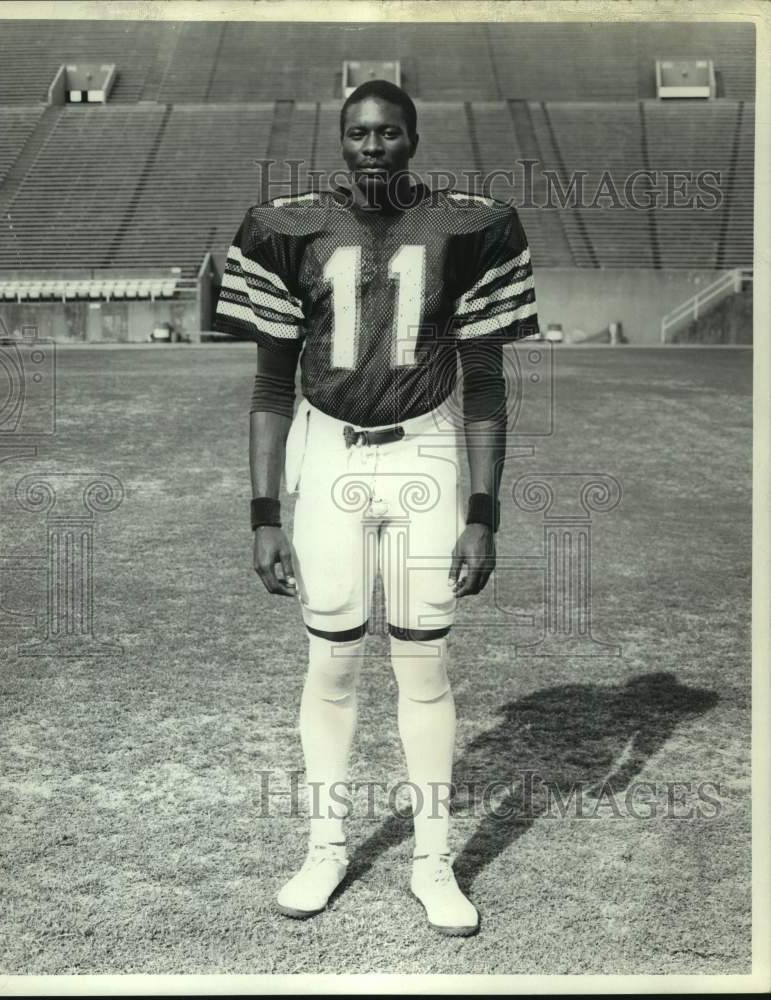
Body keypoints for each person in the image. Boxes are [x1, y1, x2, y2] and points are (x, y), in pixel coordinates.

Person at [215, 80, 538, 937]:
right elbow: (268, 383)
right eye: (359, 132)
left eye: (388, 132)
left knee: (422, 665)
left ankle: (433, 862)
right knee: (331, 660)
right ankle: (326, 847)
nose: (372, 146)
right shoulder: (287, 227)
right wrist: (261, 511)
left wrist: (483, 511)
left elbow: (488, 387)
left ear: (412, 139)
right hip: (324, 456)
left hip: (425, 449)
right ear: (340, 138)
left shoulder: (470, 227)